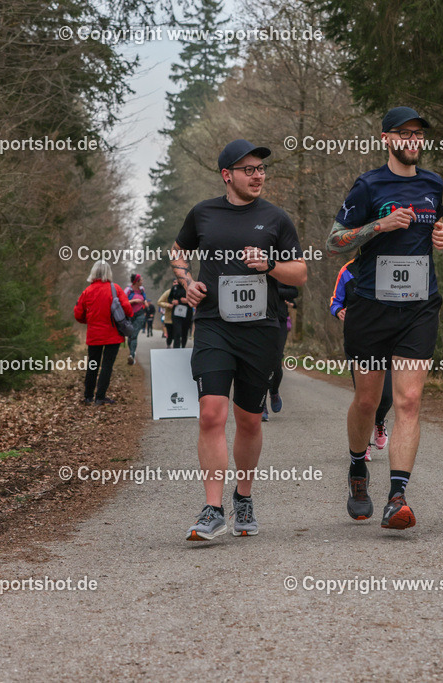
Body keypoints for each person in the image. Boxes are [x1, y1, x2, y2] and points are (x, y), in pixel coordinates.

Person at [170, 139, 307, 541]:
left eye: (262, 169)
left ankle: (243, 497)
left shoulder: (276, 218)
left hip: (261, 329)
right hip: (214, 324)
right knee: (211, 413)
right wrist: (188, 282)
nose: (258, 175)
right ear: (227, 174)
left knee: (248, 419)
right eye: (249, 169)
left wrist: (270, 266)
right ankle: (213, 509)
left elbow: (299, 273)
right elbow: (178, 251)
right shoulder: (203, 213)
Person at [325, 107, 443, 530]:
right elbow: (334, 241)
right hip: (370, 307)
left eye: (419, 134)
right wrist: (379, 226)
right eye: (405, 133)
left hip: (419, 306)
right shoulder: (368, 185)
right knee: (366, 400)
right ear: (386, 139)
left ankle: (397, 496)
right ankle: (358, 468)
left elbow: (433, 230)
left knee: (409, 401)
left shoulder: (433, 183)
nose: (413, 140)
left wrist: (441, 236)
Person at [330, 259, 392, 459]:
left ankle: (379, 422)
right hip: (359, 339)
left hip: (388, 338)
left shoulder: (391, 263)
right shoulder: (347, 270)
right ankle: (364, 445)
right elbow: (335, 301)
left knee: (387, 395)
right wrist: (338, 311)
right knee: (364, 397)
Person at [73, 260, 133, 405]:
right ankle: (100, 397)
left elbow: (78, 314)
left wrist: (89, 322)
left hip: (94, 335)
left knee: (93, 365)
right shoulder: (116, 289)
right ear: (108, 272)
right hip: (113, 335)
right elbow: (128, 310)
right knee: (107, 365)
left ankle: (88, 397)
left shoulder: (87, 291)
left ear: (93, 273)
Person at [261, 282, 299, 422]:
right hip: (257, 319)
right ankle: (261, 404)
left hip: (279, 319)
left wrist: (272, 289)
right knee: (260, 363)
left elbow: (294, 292)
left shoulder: (281, 265)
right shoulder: (250, 265)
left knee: (275, 361)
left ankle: (274, 391)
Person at [125, 273, 148, 364]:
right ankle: (132, 352)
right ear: (136, 282)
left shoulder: (142, 289)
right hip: (129, 315)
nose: (142, 281)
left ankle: (131, 355)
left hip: (140, 315)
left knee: (134, 335)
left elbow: (144, 298)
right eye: (141, 280)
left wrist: (145, 302)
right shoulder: (128, 290)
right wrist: (134, 301)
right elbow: (123, 301)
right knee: (130, 336)